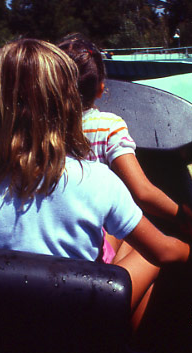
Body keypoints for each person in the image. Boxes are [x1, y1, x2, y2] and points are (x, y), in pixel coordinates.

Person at [0, 38, 190, 322]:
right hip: (81, 331)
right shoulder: (101, 181)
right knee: (146, 251)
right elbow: (164, 252)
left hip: (7, 330)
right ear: (69, 105)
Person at [57, 35, 183, 262]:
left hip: (65, 233)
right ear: (100, 89)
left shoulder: (42, 130)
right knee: (149, 247)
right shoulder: (108, 126)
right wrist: (186, 218)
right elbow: (142, 193)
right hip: (94, 241)